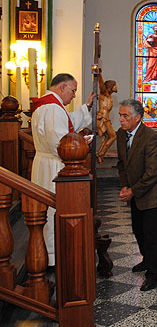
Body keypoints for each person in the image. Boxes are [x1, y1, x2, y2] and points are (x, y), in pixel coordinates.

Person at [31, 73, 94, 269]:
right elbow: (59, 143)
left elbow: (68, 124)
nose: (74, 95)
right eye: (73, 91)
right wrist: (82, 142)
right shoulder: (52, 109)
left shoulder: (49, 106)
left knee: (48, 210)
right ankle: (52, 256)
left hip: (44, 163)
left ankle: (51, 252)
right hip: (53, 166)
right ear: (62, 88)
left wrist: (87, 106)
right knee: (52, 210)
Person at [116, 99, 157, 291]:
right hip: (136, 193)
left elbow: (153, 172)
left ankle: (153, 275)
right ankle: (147, 260)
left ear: (138, 117)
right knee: (138, 230)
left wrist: (132, 190)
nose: (121, 120)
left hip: (153, 194)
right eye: (120, 116)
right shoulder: (121, 135)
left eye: (125, 116)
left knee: (152, 236)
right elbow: (122, 164)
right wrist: (124, 186)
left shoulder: (151, 137)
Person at [96, 72, 118, 164]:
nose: (116, 87)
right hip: (103, 119)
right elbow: (101, 85)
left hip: (106, 119)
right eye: (115, 85)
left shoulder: (109, 96)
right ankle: (101, 153)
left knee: (108, 137)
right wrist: (99, 74)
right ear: (111, 86)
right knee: (113, 136)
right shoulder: (104, 94)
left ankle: (100, 153)